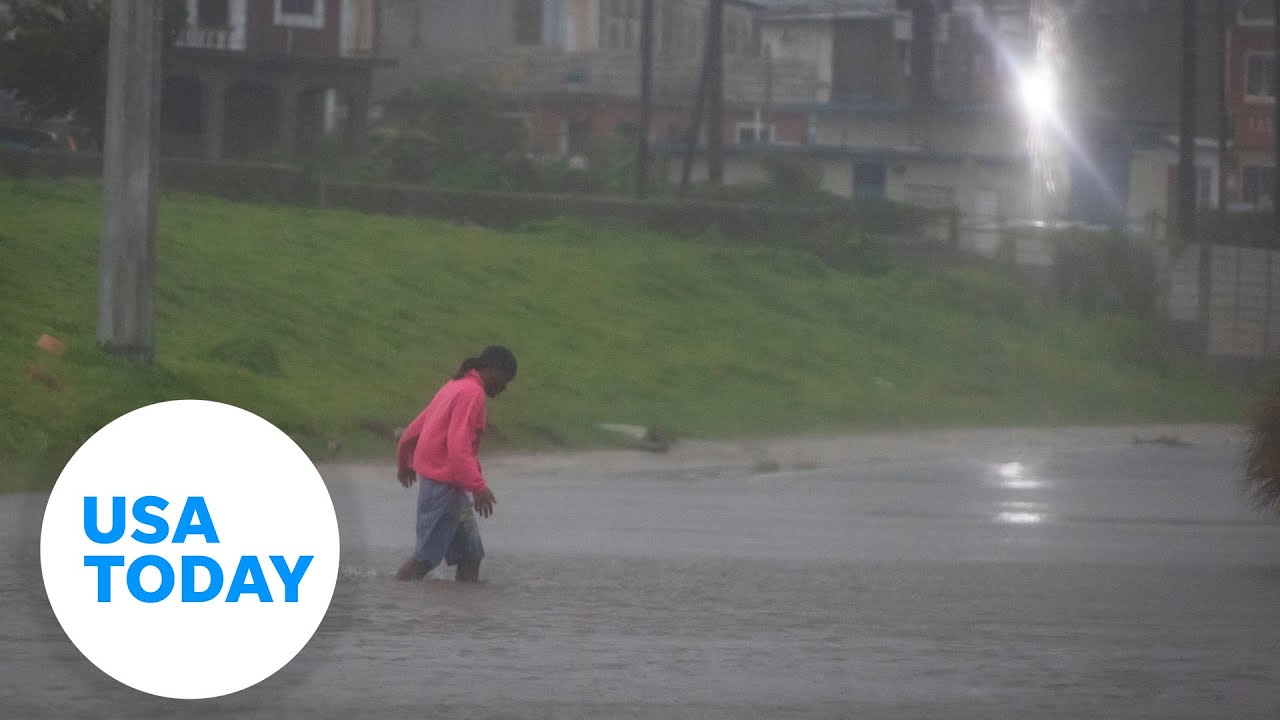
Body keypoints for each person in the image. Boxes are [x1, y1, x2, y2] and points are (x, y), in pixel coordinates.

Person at [394, 345, 517, 583]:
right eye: (506, 380)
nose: (504, 388)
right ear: (494, 369)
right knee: (424, 559)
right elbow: (458, 446)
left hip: (451, 488)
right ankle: (393, 599)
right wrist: (478, 486)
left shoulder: (454, 386)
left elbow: (414, 429)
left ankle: (465, 615)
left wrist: (403, 460)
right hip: (443, 488)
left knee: (470, 556)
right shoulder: (471, 393)